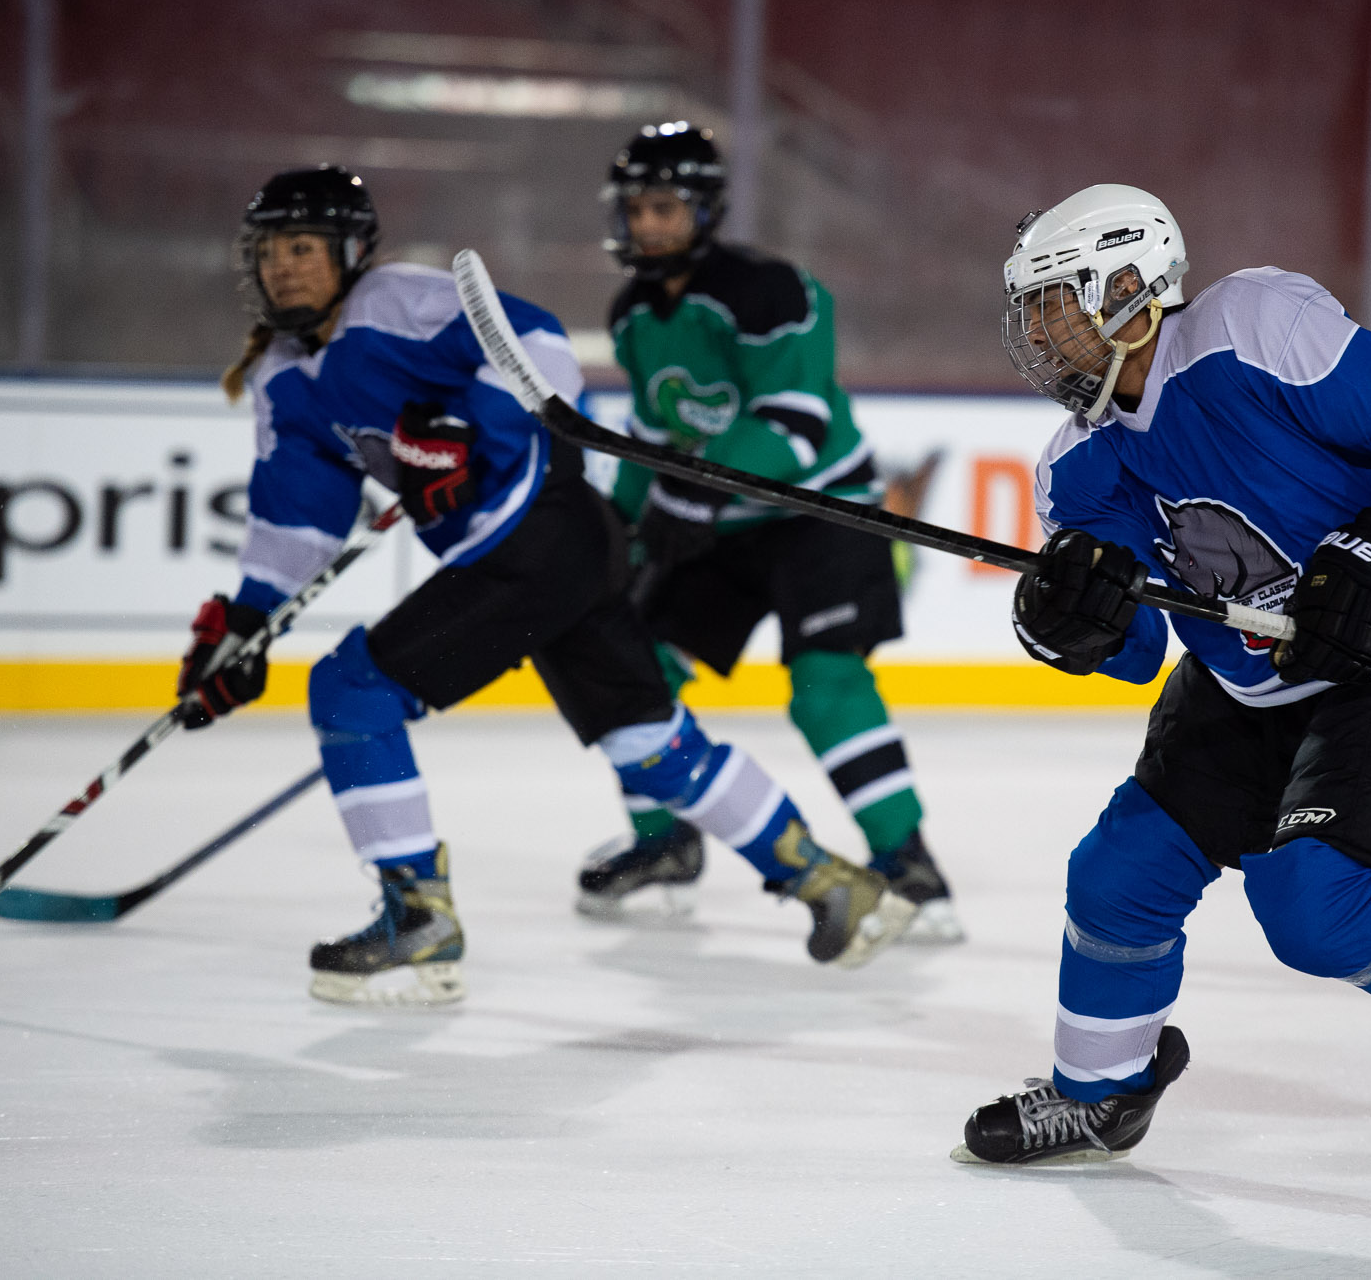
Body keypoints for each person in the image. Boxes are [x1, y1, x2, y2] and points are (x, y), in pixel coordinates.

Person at [952, 184, 1371, 1165]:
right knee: (1116, 874)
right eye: (1031, 315)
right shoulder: (1075, 469)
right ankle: (1101, 1091)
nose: (1039, 337)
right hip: (1250, 686)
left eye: (1054, 307)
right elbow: (1138, 650)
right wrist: (1068, 622)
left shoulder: (1248, 326)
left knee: (1316, 907)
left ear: (1128, 287)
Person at [187, 165, 913, 1006]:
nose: (283, 268)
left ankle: (418, 925)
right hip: (559, 548)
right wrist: (249, 619)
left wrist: (470, 433)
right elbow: (299, 514)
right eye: (271, 251)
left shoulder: (393, 303)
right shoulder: (283, 377)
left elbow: (536, 344)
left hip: (534, 536)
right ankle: (831, 884)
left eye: (303, 248)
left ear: (350, 252)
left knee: (355, 691)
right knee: (646, 741)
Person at [575, 122, 961, 941]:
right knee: (628, 669)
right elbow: (650, 437)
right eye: (637, 209)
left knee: (826, 686)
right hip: (719, 519)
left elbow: (793, 422)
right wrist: (615, 533)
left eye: (665, 207)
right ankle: (664, 843)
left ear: (705, 210)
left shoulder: (769, 290)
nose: (648, 224)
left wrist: (692, 492)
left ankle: (909, 864)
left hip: (822, 510)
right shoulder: (633, 315)